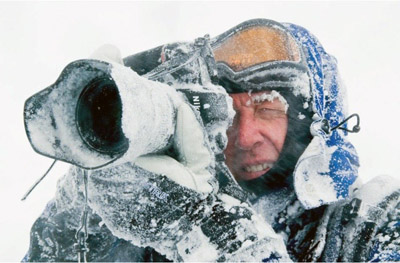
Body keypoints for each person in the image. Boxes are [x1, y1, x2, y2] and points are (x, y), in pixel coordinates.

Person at [23, 19, 400, 262]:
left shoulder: (373, 224)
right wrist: (83, 208)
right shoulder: (154, 220)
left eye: (268, 108)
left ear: (312, 125)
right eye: (231, 114)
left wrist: (206, 232)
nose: (245, 136)